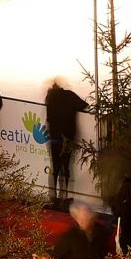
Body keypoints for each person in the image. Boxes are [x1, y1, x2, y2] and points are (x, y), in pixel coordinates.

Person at [46, 78, 89, 209]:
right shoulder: (69, 95)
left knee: (55, 166)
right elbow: (84, 105)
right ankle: (64, 197)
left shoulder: (50, 98)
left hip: (54, 138)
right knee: (66, 166)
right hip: (67, 138)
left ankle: (53, 197)